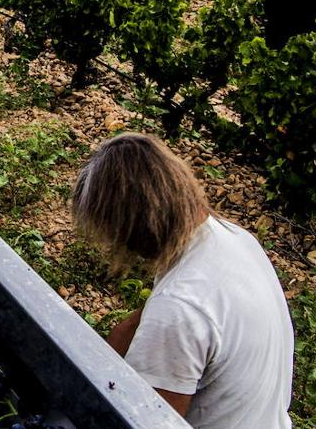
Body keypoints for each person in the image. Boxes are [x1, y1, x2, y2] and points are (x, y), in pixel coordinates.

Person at [72, 133, 293, 428]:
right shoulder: (233, 239)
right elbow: (148, 318)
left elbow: (145, 421)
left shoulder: (179, 309)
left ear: (129, 226)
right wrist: (91, 367)